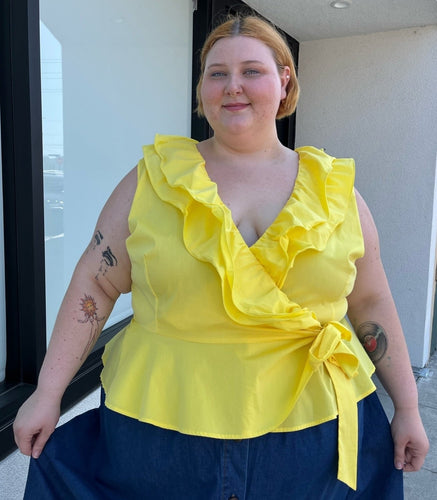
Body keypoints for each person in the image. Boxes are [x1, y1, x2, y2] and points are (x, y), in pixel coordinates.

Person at [14, 14, 428, 499]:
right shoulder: (150, 181)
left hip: (314, 435)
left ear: (284, 80)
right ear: (202, 87)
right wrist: (47, 392)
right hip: (161, 430)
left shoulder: (338, 192)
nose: (233, 86)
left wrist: (408, 405)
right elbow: (96, 282)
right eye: (217, 73)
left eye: (251, 70)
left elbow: (372, 302)